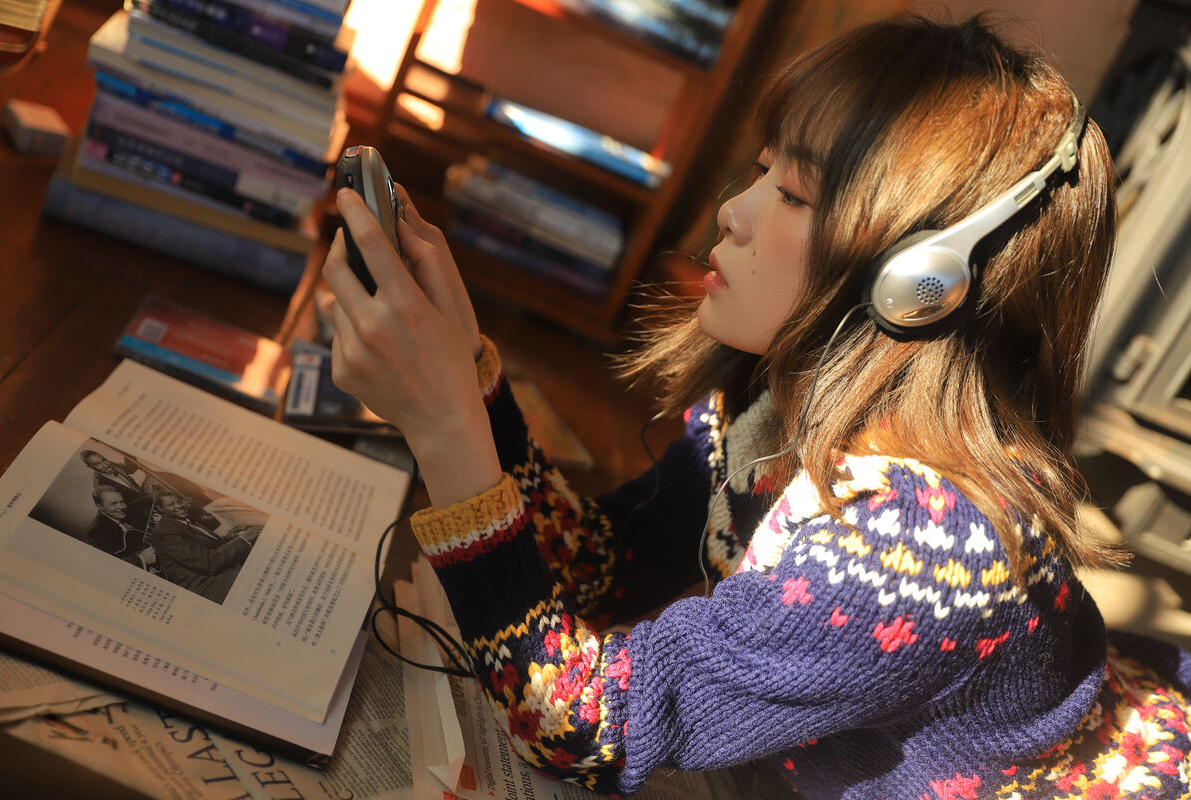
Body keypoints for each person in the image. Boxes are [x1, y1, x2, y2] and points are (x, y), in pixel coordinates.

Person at [323, 13, 1191, 799]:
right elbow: (605, 564)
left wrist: (443, 426)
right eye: (762, 170)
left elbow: (582, 726)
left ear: (922, 280)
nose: (732, 210)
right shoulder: (780, 405)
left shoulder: (922, 551)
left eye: (794, 194)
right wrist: (466, 375)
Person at [149, 491, 257, 603]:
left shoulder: (179, 522)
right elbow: (209, 563)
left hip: (218, 575)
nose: (179, 506)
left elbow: (203, 550)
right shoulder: (166, 533)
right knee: (255, 574)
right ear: (160, 509)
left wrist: (229, 537)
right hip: (209, 585)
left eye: (179, 502)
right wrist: (243, 539)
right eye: (171, 504)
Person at [86, 486, 158, 572]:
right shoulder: (96, 530)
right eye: (114, 503)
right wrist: (142, 559)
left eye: (122, 502)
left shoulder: (120, 518)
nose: (121, 507)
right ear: (100, 507)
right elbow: (106, 564)